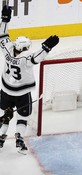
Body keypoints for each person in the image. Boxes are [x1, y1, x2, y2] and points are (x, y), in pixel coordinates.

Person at [0, 5, 59, 154]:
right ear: (24, 49)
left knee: (5, 114)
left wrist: (5, 19)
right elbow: (37, 57)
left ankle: (1, 137)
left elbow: (1, 34)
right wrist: (46, 47)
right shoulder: (25, 60)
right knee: (22, 116)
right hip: (22, 92)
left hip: (6, 89)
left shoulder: (7, 49)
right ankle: (19, 138)